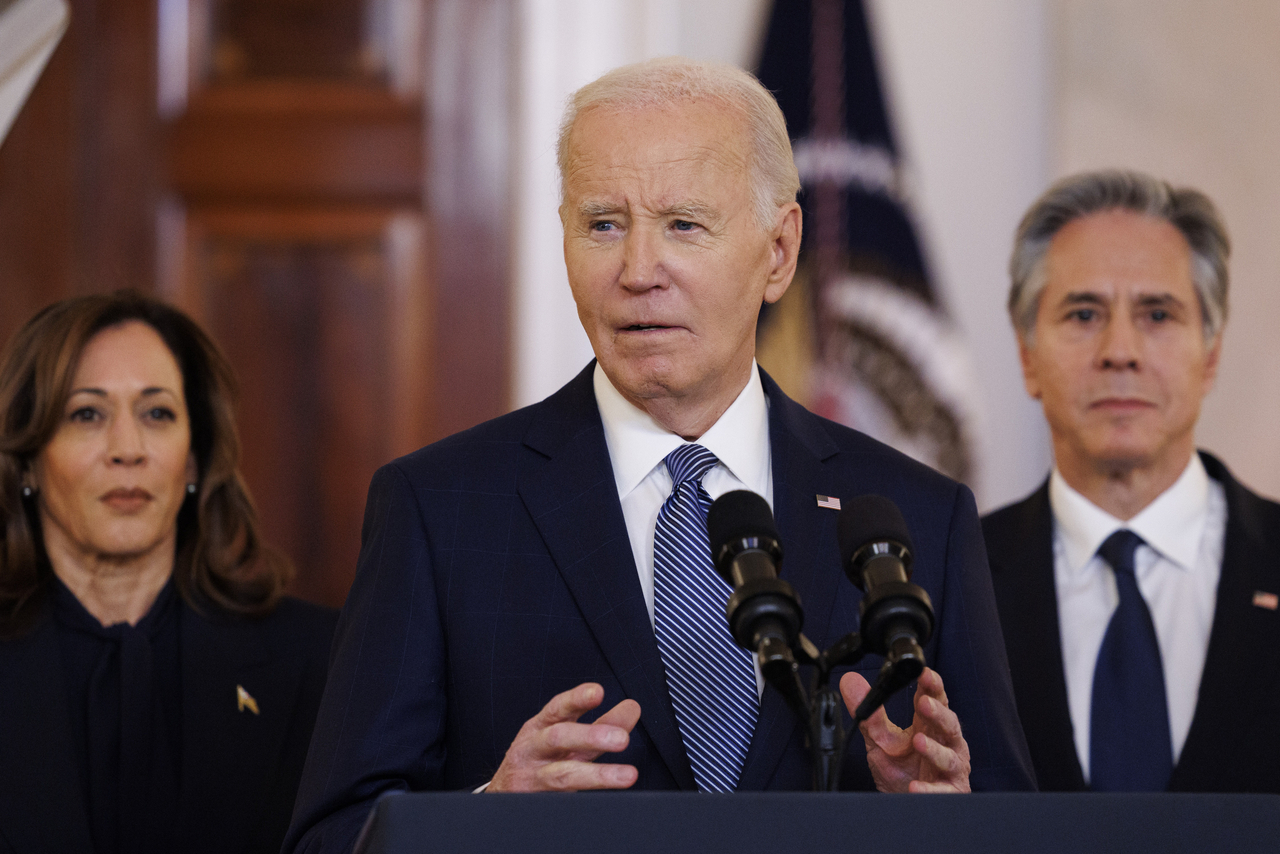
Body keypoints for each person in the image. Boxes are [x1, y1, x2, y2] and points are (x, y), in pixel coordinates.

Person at [285, 57, 1033, 852]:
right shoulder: (438, 510)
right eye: (603, 224)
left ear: (779, 252)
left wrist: (947, 820)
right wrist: (483, 813)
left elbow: (1011, 828)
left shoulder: (918, 518)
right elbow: (330, 837)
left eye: (684, 225)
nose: (638, 272)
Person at [0, 291, 337, 853]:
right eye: (87, 413)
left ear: (195, 458)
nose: (127, 449)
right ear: (29, 457)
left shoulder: (321, 660)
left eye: (157, 413)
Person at [983, 169, 1280, 792]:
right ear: (1027, 356)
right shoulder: (953, 577)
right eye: (1084, 313)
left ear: (1212, 355)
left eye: (1157, 314)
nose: (1120, 350)